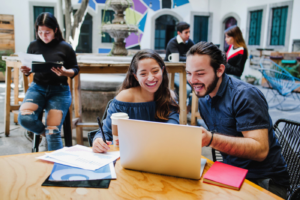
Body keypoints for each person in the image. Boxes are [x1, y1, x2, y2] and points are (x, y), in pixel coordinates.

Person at [186, 42, 289, 199]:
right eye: (188, 73)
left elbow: (260, 150)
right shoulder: (204, 97)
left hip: (265, 181)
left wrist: (211, 139)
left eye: (200, 74)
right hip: (231, 173)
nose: (192, 81)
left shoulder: (245, 96)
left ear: (220, 70)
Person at [93, 49, 180, 153]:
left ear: (162, 70)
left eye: (155, 71)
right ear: (136, 76)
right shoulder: (124, 98)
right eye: (143, 74)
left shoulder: (169, 96)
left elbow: (173, 127)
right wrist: (98, 141)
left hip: (161, 154)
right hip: (127, 156)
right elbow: (106, 132)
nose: (151, 78)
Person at [18, 12, 79, 151]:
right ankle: (47, 132)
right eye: (40, 32)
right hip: (37, 88)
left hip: (60, 91)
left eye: (47, 32)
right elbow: (31, 69)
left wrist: (64, 72)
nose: (44, 36)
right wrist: (27, 70)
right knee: (25, 118)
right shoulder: (33, 45)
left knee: (53, 130)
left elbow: (75, 70)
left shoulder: (66, 47)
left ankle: (56, 169)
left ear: (55, 30)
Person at [164, 22, 194, 111]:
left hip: (185, 71)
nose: (188, 34)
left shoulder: (190, 42)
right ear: (179, 33)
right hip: (173, 72)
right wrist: (188, 57)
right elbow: (177, 58)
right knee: (187, 89)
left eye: (189, 32)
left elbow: (196, 55)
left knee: (198, 86)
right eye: (186, 32)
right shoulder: (172, 43)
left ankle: (187, 109)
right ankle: (178, 110)